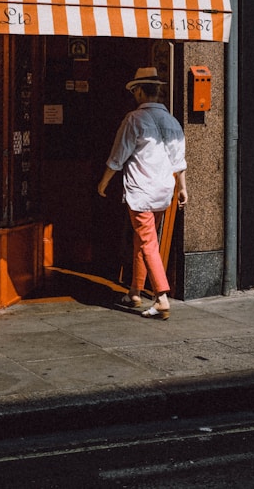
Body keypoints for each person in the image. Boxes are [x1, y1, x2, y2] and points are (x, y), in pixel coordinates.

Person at [97, 67, 188, 320]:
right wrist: (183, 189)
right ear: (158, 92)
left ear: (138, 91)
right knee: (144, 239)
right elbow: (178, 160)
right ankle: (135, 290)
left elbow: (118, 156)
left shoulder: (134, 119)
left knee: (147, 242)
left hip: (142, 191)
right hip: (164, 191)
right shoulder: (172, 121)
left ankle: (161, 297)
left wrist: (103, 183)